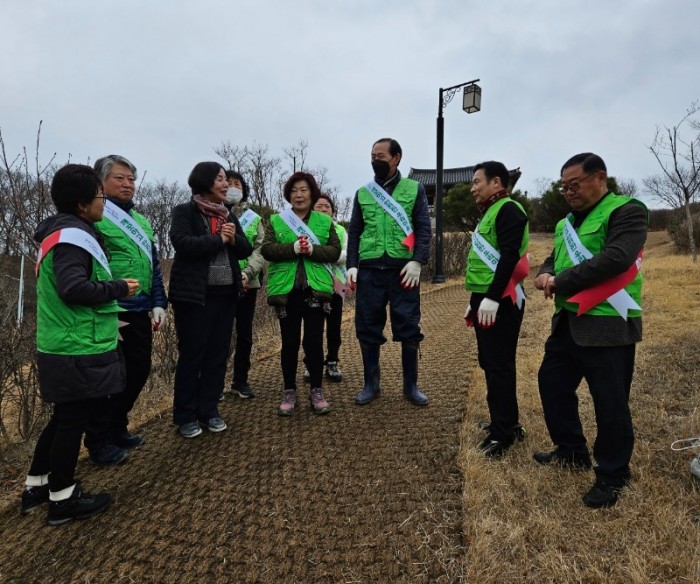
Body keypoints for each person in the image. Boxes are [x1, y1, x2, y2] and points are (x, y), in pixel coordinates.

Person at [22, 163, 139, 525]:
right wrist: (118, 287)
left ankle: (38, 485)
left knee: (63, 418)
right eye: (100, 196)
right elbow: (72, 289)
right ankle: (63, 498)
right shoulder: (73, 238)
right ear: (82, 203)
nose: (104, 202)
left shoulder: (60, 233)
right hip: (76, 346)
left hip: (63, 342)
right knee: (73, 420)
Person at [533, 152, 648, 509]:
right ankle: (571, 451)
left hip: (608, 324)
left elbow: (616, 258)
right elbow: (555, 258)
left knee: (610, 401)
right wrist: (544, 272)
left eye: (575, 184)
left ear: (600, 177)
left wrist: (560, 281)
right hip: (567, 322)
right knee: (551, 384)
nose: (568, 192)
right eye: (564, 186)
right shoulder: (566, 222)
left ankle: (613, 474)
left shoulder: (627, 210)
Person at [83, 155, 168, 466]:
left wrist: (159, 302)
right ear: (101, 182)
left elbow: (153, 266)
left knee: (139, 369)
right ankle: (98, 439)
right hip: (110, 309)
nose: (128, 184)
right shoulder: (95, 217)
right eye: (120, 178)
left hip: (140, 307)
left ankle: (118, 426)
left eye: (131, 179)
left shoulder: (142, 222)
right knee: (110, 378)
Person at [346, 137, 432, 406]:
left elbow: (423, 228)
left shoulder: (414, 189)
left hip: (403, 270)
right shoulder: (363, 192)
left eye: (381, 155)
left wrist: (418, 261)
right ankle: (371, 384)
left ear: (396, 158)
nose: (375, 160)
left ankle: (411, 386)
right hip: (370, 269)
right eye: (372, 156)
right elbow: (355, 232)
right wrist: (351, 265)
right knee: (367, 326)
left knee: (408, 325)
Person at [168, 162, 252, 438]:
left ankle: (209, 410)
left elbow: (245, 249)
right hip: (194, 297)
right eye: (220, 179)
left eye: (225, 179)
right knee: (193, 355)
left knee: (217, 355)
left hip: (226, 295)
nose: (225, 184)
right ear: (204, 182)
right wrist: (219, 240)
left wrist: (231, 240)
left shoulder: (228, 214)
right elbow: (183, 244)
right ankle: (185, 415)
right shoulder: (185, 212)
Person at [464, 161, 529, 458]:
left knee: (499, 365)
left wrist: (490, 297)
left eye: (478, 181)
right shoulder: (489, 212)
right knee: (491, 362)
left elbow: (509, 256)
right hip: (487, 298)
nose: (473, 187)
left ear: (497, 182)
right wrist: (475, 300)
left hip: (501, 300)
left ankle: (503, 433)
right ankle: (505, 421)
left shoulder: (509, 210)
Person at [261, 171, 341, 416]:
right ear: (288, 194)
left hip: (316, 290)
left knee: (314, 343)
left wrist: (312, 250)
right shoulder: (276, 220)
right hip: (287, 292)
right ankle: (289, 391)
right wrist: (293, 248)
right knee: (289, 343)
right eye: (294, 190)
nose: (299, 194)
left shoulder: (325, 222)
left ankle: (317, 390)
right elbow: (267, 250)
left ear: (312, 192)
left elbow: (335, 252)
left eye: (304, 189)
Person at [220, 170, 264, 400]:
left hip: (249, 282)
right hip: (222, 282)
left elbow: (260, 249)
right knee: (220, 333)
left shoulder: (254, 218)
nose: (232, 187)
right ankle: (215, 382)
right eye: (228, 183)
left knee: (244, 333)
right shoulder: (214, 213)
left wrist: (248, 273)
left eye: (237, 184)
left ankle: (240, 380)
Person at [303, 193, 347, 382]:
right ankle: (311, 364)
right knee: (312, 328)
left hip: (335, 284)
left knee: (334, 326)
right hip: (313, 284)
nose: (323, 209)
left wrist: (321, 254)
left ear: (333, 210)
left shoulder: (340, 230)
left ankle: (332, 361)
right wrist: (328, 253)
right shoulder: (305, 228)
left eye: (327, 206)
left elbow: (345, 254)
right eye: (319, 206)